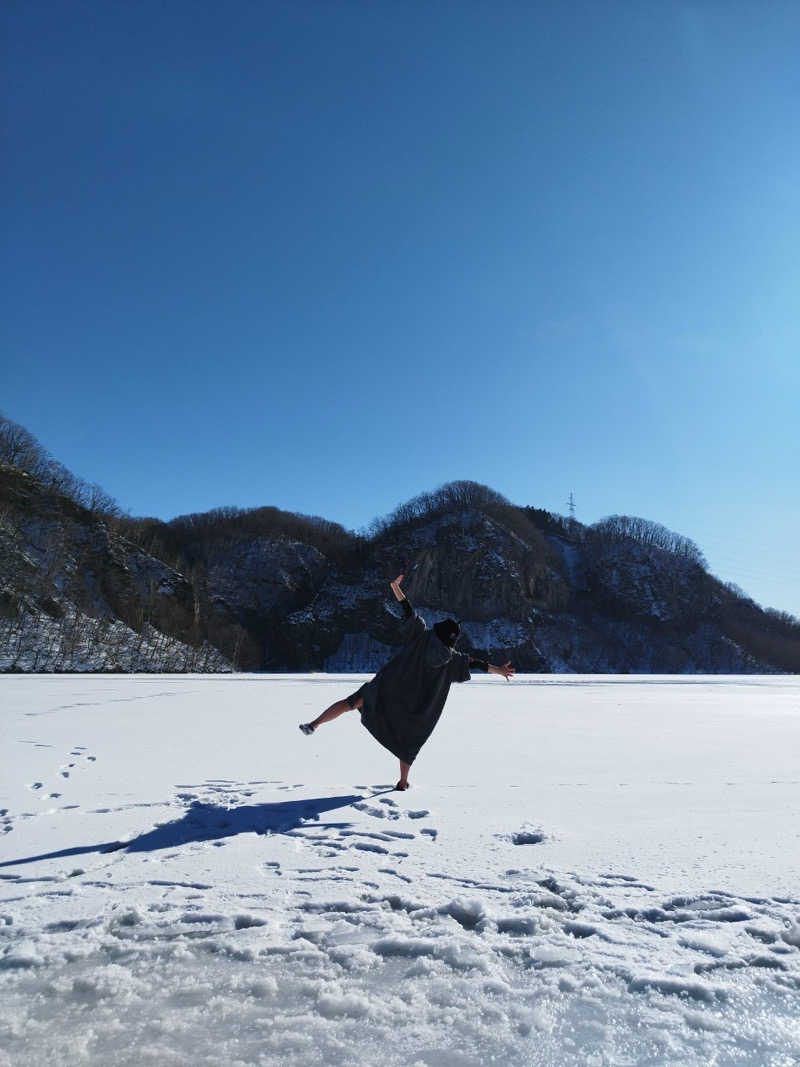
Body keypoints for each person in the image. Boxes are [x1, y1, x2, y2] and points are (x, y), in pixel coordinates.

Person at [299, 574, 514, 790]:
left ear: (437, 631)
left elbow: (408, 609)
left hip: (386, 689)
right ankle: (402, 782)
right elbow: (476, 663)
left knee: (351, 702)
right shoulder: (452, 660)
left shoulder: (421, 636)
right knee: (410, 742)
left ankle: (314, 724)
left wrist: (395, 587)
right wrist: (500, 671)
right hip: (412, 707)